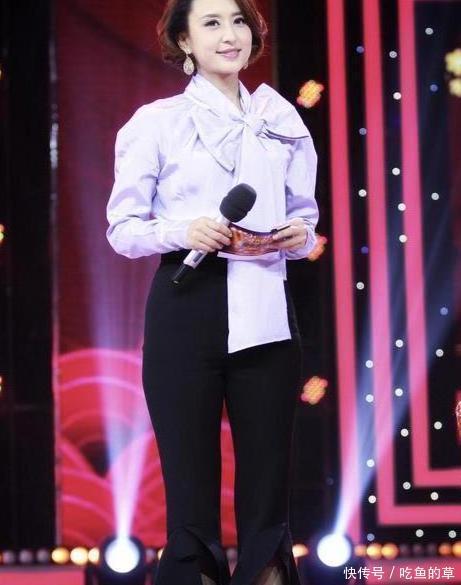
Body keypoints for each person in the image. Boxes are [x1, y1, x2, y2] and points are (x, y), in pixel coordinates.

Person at [105, 0, 319, 583]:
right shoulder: (157, 122)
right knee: (191, 491)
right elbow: (122, 229)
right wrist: (184, 230)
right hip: (187, 301)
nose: (230, 35)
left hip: (267, 307)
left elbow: (305, 216)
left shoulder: (280, 118)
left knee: (268, 493)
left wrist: (300, 235)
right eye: (213, 23)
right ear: (184, 41)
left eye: (239, 21)